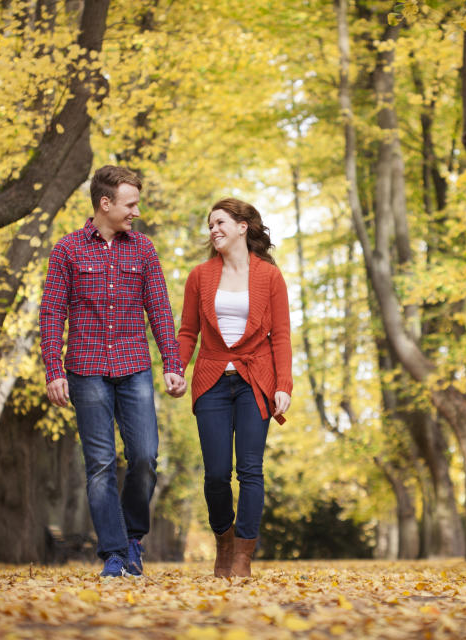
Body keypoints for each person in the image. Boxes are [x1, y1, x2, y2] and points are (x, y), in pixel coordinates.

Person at [39, 165, 186, 579]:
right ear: (105, 204)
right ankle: (116, 554)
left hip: (134, 366)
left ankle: (134, 536)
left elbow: (159, 310)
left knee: (144, 456)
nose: (136, 211)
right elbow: (51, 314)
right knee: (100, 463)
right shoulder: (66, 250)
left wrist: (172, 365)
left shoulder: (143, 249)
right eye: (130, 203)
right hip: (85, 370)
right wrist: (54, 369)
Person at [178, 198, 292, 578]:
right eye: (210, 225)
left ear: (243, 226)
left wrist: (283, 385)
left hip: (254, 380)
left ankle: (242, 556)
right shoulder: (200, 276)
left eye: (220, 222)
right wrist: (175, 368)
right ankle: (224, 542)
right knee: (215, 474)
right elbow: (188, 332)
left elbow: (281, 337)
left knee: (250, 470)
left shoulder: (270, 277)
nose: (214, 230)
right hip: (211, 378)